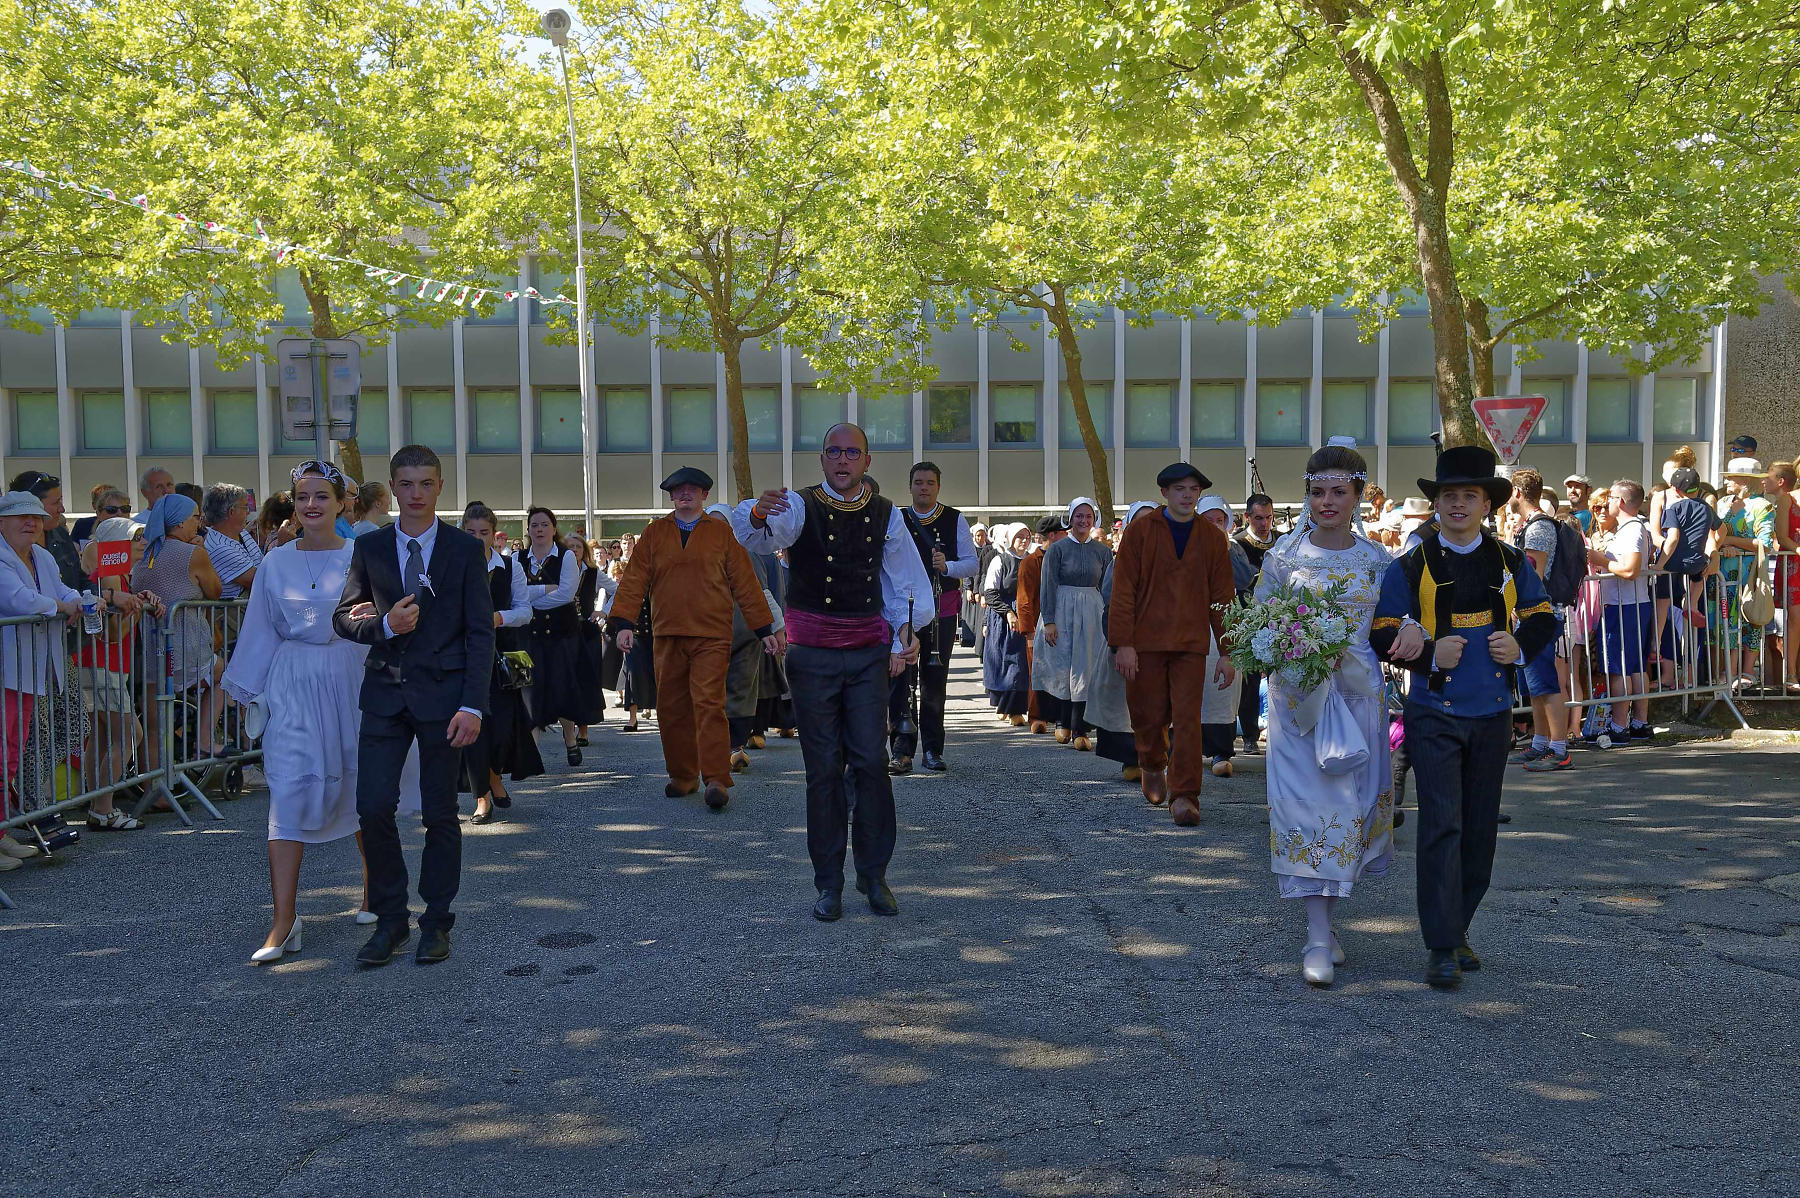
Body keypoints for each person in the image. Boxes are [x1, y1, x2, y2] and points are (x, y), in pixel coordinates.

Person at [1371, 445, 1558, 988]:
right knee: (1441, 825)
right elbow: (1382, 630)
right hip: (1433, 713)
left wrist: (1520, 646)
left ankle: (1458, 931)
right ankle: (1441, 946)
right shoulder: (1410, 564)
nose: (1458, 504)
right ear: (1436, 503)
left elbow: (1543, 613)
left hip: (1494, 713)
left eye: (1469, 495)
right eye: (1449, 495)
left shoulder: (1511, 560)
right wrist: (1430, 655)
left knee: (1479, 833)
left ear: (1487, 504)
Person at [732, 423, 929, 921]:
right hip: (812, 656)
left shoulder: (887, 513)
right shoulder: (799, 506)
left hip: (866, 655)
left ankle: (874, 874)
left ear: (867, 461)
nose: (842, 460)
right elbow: (758, 537)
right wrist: (757, 511)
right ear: (822, 459)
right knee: (822, 769)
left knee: (871, 762)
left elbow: (905, 582)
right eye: (834, 452)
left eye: (852, 452)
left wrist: (906, 631)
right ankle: (829, 884)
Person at [333, 445, 494, 969]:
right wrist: (383, 625)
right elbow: (343, 618)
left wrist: (473, 705)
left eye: (426, 483)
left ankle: (437, 921)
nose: (416, 493)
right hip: (384, 691)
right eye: (406, 484)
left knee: (440, 812)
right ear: (393, 488)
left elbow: (480, 634)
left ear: (440, 486)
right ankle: (391, 919)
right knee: (373, 806)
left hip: (445, 698)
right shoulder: (370, 547)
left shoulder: (464, 550)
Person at [221, 462, 382, 964]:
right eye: (303, 496)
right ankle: (284, 920)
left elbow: (385, 619)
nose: (311, 504)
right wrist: (246, 688)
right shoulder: (275, 561)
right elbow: (261, 626)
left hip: (350, 676)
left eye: (321, 496)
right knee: (288, 789)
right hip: (292, 681)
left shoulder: (363, 555)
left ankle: (375, 888)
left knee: (360, 786)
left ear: (341, 503)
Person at [1257, 441, 1397, 987]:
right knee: (1308, 812)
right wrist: (1290, 649)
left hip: (1359, 698)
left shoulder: (1378, 561)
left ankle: (1327, 925)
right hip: (1299, 703)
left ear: (1358, 495)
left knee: (1351, 810)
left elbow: (1394, 625)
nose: (1327, 502)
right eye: (1318, 492)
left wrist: (1410, 631)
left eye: (1339, 491)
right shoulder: (1283, 558)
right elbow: (1259, 625)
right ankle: (1317, 935)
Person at [611, 470, 775, 810]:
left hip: (711, 634)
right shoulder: (655, 533)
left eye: (693, 489)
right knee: (671, 708)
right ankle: (683, 776)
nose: (685, 493)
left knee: (709, 705)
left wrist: (764, 628)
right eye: (678, 490)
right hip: (668, 633)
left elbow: (745, 582)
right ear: (671, 496)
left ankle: (716, 778)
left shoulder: (721, 533)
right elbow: (634, 579)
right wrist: (624, 623)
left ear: (704, 495)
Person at [1107, 463, 1236, 828]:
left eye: (1193, 489)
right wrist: (1124, 643)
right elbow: (1123, 590)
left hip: (1190, 643)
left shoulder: (1212, 538)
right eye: (1180, 489)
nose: (1187, 495)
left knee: (1188, 719)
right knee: (1148, 715)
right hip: (1145, 641)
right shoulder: (1140, 532)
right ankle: (1151, 762)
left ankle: (1185, 795)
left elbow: (1223, 597)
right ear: (1164, 493)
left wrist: (1228, 651)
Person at [0, 490, 88, 870]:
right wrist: (62, 607)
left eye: (35, 517)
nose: (30, 522)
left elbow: (62, 590)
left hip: (29, 670)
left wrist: (82, 601)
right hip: (7, 669)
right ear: (1, 523)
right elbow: (18, 600)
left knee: (12, 753)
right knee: (2, 752)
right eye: (20, 516)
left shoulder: (43, 556)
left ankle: (2, 832)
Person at [888, 462, 978, 774]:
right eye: (918, 482)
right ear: (910, 486)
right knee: (901, 681)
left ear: (938, 486)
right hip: (905, 612)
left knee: (934, 682)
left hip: (942, 611)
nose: (924, 488)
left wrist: (947, 566)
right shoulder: (897, 518)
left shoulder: (954, 519)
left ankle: (932, 749)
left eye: (929, 482)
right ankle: (901, 750)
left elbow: (971, 564)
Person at [76, 516, 161, 831]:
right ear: (117, 544)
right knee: (128, 735)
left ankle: (98, 806)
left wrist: (137, 603)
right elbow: (112, 634)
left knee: (102, 737)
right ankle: (103, 809)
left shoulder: (116, 574)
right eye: (136, 537)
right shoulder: (109, 574)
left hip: (99, 664)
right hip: (102, 664)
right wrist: (136, 610)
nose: (143, 542)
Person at [460, 503, 543, 825]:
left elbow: (525, 611)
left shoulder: (510, 567)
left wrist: (498, 618)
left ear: (494, 535)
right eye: (470, 532)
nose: (477, 539)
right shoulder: (451, 564)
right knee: (473, 728)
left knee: (500, 729)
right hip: (462, 657)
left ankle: (494, 777)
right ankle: (482, 795)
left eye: (483, 533)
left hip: (502, 658)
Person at [130, 493, 226, 766]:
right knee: (225, 676)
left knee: (153, 727)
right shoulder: (194, 553)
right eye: (196, 517)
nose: (199, 523)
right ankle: (205, 741)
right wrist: (201, 552)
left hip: (149, 652)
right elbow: (215, 591)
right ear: (181, 522)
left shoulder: (144, 552)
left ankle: (153, 785)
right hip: (185, 647)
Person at [1506, 469, 1574, 772]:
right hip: (1530, 615)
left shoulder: (1538, 529)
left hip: (1539, 616)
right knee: (1534, 685)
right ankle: (1540, 743)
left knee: (1545, 684)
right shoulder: (1531, 526)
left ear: (1518, 493)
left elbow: (1533, 573)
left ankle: (1559, 749)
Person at [1035, 497, 1113, 751]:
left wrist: (1109, 618)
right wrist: (1049, 621)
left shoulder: (1102, 551)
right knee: (1062, 666)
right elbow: (1047, 585)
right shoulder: (1057, 549)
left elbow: (1108, 587)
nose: (1083, 521)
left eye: (1088, 516)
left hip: (1091, 612)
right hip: (1062, 609)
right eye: (1079, 515)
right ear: (1070, 518)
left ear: (1094, 519)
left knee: (1086, 667)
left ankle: (1082, 728)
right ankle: (1062, 722)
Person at [1089, 502, 1159, 782]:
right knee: (1124, 704)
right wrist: (1119, 643)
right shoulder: (1121, 561)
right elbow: (1111, 603)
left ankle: (1158, 760)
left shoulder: (1174, 558)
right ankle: (1131, 759)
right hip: (1129, 640)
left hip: (1162, 642)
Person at [1586, 480, 1654, 744]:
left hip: (1625, 606)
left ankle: (1618, 726)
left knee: (1620, 668)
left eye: (1611, 498)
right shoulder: (1631, 528)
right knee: (1634, 666)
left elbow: (1631, 570)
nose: (1607, 503)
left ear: (1621, 502)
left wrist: (1600, 559)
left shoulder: (1632, 530)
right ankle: (1638, 723)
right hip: (1630, 604)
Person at [519, 508, 586, 766]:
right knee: (530, 692)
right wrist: (545, 589)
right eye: (534, 525)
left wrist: (530, 600)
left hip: (562, 635)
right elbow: (515, 594)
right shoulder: (517, 557)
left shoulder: (566, 556)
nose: (539, 529)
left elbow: (566, 595)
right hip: (529, 635)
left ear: (554, 528)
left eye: (544, 524)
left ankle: (569, 738)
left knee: (562, 688)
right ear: (528, 529)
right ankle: (532, 753)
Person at [1195, 496, 1251, 779]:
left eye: (1220, 521)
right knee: (1193, 683)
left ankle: (1221, 750)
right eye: (1209, 521)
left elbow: (1244, 579)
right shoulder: (1186, 545)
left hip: (1225, 619)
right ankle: (1188, 747)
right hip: (1192, 618)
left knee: (1223, 688)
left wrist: (1226, 549)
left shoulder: (1234, 548)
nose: (1215, 526)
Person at [1655, 465, 1720, 687]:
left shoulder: (1674, 508)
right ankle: (1691, 606)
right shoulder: (1706, 508)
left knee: (1663, 600)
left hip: (1674, 563)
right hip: (1697, 561)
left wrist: (1659, 564)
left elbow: (1672, 538)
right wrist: (1713, 553)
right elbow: (1719, 529)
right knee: (1698, 580)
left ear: (1675, 489)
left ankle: (1656, 641)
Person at [1715, 458, 1776, 692]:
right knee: (1725, 621)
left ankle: (1748, 671)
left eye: (1730, 477)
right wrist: (1723, 545)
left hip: (1750, 573)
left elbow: (1765, 543)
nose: (1726, 481)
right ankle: (1727, 671)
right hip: (1724, 572)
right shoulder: (1723, 503)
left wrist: (1730, 541)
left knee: (1752, 618)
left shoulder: (1763, 506)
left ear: (1744, 480)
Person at [1234, 493, 1277, 753]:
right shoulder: (1237, 544)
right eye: (1259, 518)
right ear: (1247, 517)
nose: (1264, 524)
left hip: (1279, 618)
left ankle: (1279, 731)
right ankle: (1250, 734)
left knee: (1279, 678)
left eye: (1269, 518)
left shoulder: (1283, 541)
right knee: (1249, 681)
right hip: (1248, 617)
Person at [979, 523, 1032, 725]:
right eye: (1019, 536)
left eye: (1027, 536)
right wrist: (1008, 612)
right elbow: (990, 593)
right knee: (1008, 663)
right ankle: (1010, 708)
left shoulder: (1031, 560)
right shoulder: (1000, 560)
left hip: (1027, 614)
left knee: (1021, 664)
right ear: (1010, 539)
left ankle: (1013, 707)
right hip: (1004, 618)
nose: (1024, 540)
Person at [565, 532, 613, 745]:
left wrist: (603, 612)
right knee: (567, 679)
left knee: (585, 678)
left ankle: (583, 730)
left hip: (586, 632)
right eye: (570, 547)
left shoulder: (593, 572)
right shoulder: (556, 570)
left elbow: (618, 590)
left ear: (584, 550)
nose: (574, 550)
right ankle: (568, 730)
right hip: (562, 632)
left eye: (578, 546)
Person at [1018, 515, 1064, 734]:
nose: (1067, 535)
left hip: (1062, 623)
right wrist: (1028, 631)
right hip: (1037, 626)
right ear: (1052, 535)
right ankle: (1037, 716)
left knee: (1061, 670)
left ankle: (1059, 716)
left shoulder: (1065, 556)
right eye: (1063, 532)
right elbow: (1024, 599)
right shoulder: (1031, 561)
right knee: (1037, 672)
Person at [1766, 461, 1799, 692]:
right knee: (1795, 618)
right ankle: (1791, 674)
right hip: (1793, 563)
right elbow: (1782, 536)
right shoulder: (1788, 499)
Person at [201, 484, 263, 598]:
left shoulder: (241, 532)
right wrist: (282, 547)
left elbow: (262, 565)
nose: (248, 512)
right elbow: (261, 581)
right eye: (245, 507)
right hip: (241, 609)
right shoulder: (219, 548)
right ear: (232, 511)